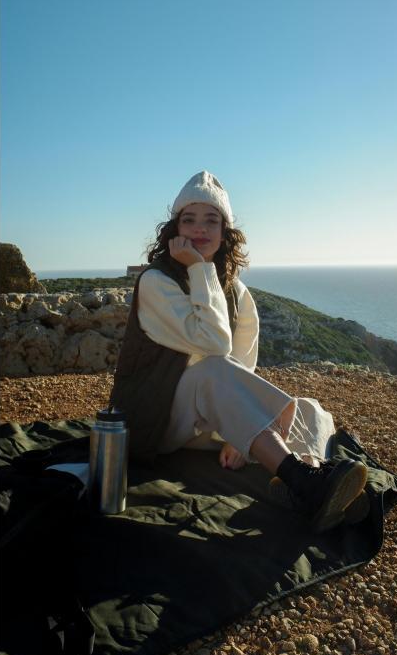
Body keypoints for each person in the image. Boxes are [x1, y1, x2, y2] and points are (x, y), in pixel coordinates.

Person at [110, 171, 368, 533]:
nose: (200, 228)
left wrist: (238, 433)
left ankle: (305, 485)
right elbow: (217, 347)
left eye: (211, 220)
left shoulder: (236, 293)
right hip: (155, 421)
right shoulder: (157, 282)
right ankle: (304, 478)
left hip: (205, 419)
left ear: (225, 231)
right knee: (212, 369)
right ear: (174, 230)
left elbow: (242, 364)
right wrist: (199, 268)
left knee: (310, 408)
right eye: (190, 219)